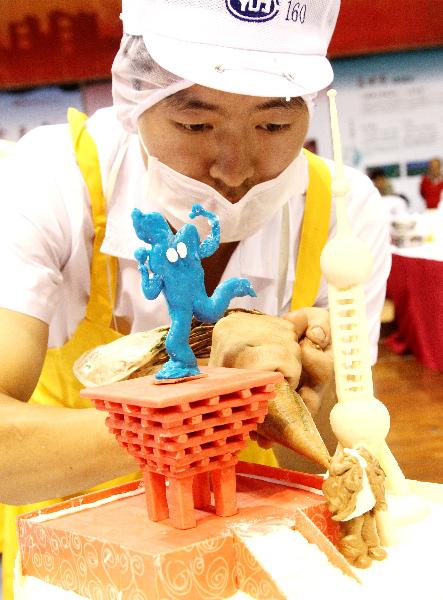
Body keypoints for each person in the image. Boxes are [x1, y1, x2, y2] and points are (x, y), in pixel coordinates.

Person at [0, 1, 391, 598]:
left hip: (263, 549)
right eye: (195, 125)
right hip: (78, 551)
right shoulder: (56, 178)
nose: (234, 168)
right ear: (134, 95)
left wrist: (325, 388)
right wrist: (213, 407)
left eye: (273, 126)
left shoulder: (343, 211)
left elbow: (344, 469)